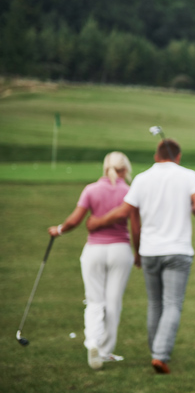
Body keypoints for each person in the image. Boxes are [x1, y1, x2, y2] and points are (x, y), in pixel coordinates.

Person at [87, 139, 195, 375]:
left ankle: (156, 350)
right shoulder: (188, 175)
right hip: (178, 249)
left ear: (156, 156)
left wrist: (97, 223)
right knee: (172, 303)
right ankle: (160, 355)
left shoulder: (142, 178)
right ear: (178, 156)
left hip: (150, 249)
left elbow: (125, 212)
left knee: (155, 303)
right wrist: (193, 207)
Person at [48, 152, 138, 371]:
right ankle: (105, 351)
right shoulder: (129, 192)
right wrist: (140, 252)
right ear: (125, 169)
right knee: (113, 302)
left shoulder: (91, 189)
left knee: (94, 300)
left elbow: (74, 220)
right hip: (120, 250)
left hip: (94, 250)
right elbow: (136, 226)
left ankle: (92, 342)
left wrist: (58, 230)